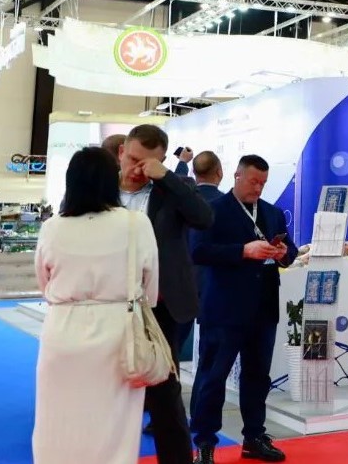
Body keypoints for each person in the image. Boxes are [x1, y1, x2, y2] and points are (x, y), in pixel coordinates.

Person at [33, 147, 159, 464]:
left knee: (58, 418)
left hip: (62, 329)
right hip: (119, 332)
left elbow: (44, 282)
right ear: (111, 180)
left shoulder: (53, 227)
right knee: (116, 424)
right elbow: (151, 288)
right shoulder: (136, 223)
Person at [189, 155, 298, 463]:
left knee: (257, 377)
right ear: (236, 176)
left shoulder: (272, 212)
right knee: (213, 377)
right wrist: (242, 251)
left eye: (263, 183)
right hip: (224, 308)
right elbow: (198, 251)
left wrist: (282, 252)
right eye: (253, 182)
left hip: (263, 308)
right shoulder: (214, 210)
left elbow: (291, 251)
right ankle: (204, 443)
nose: (258, 188)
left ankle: (254, 436)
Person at [118, 124, 213, 463]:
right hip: (109, 304)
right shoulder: (98, 190)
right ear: (121, 152)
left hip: (159, 306)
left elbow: (204, 218)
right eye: (133, 159)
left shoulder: (174, 189)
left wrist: (167, 177)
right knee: (108, 392)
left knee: (165, 394)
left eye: (148, 163)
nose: (137, 169)